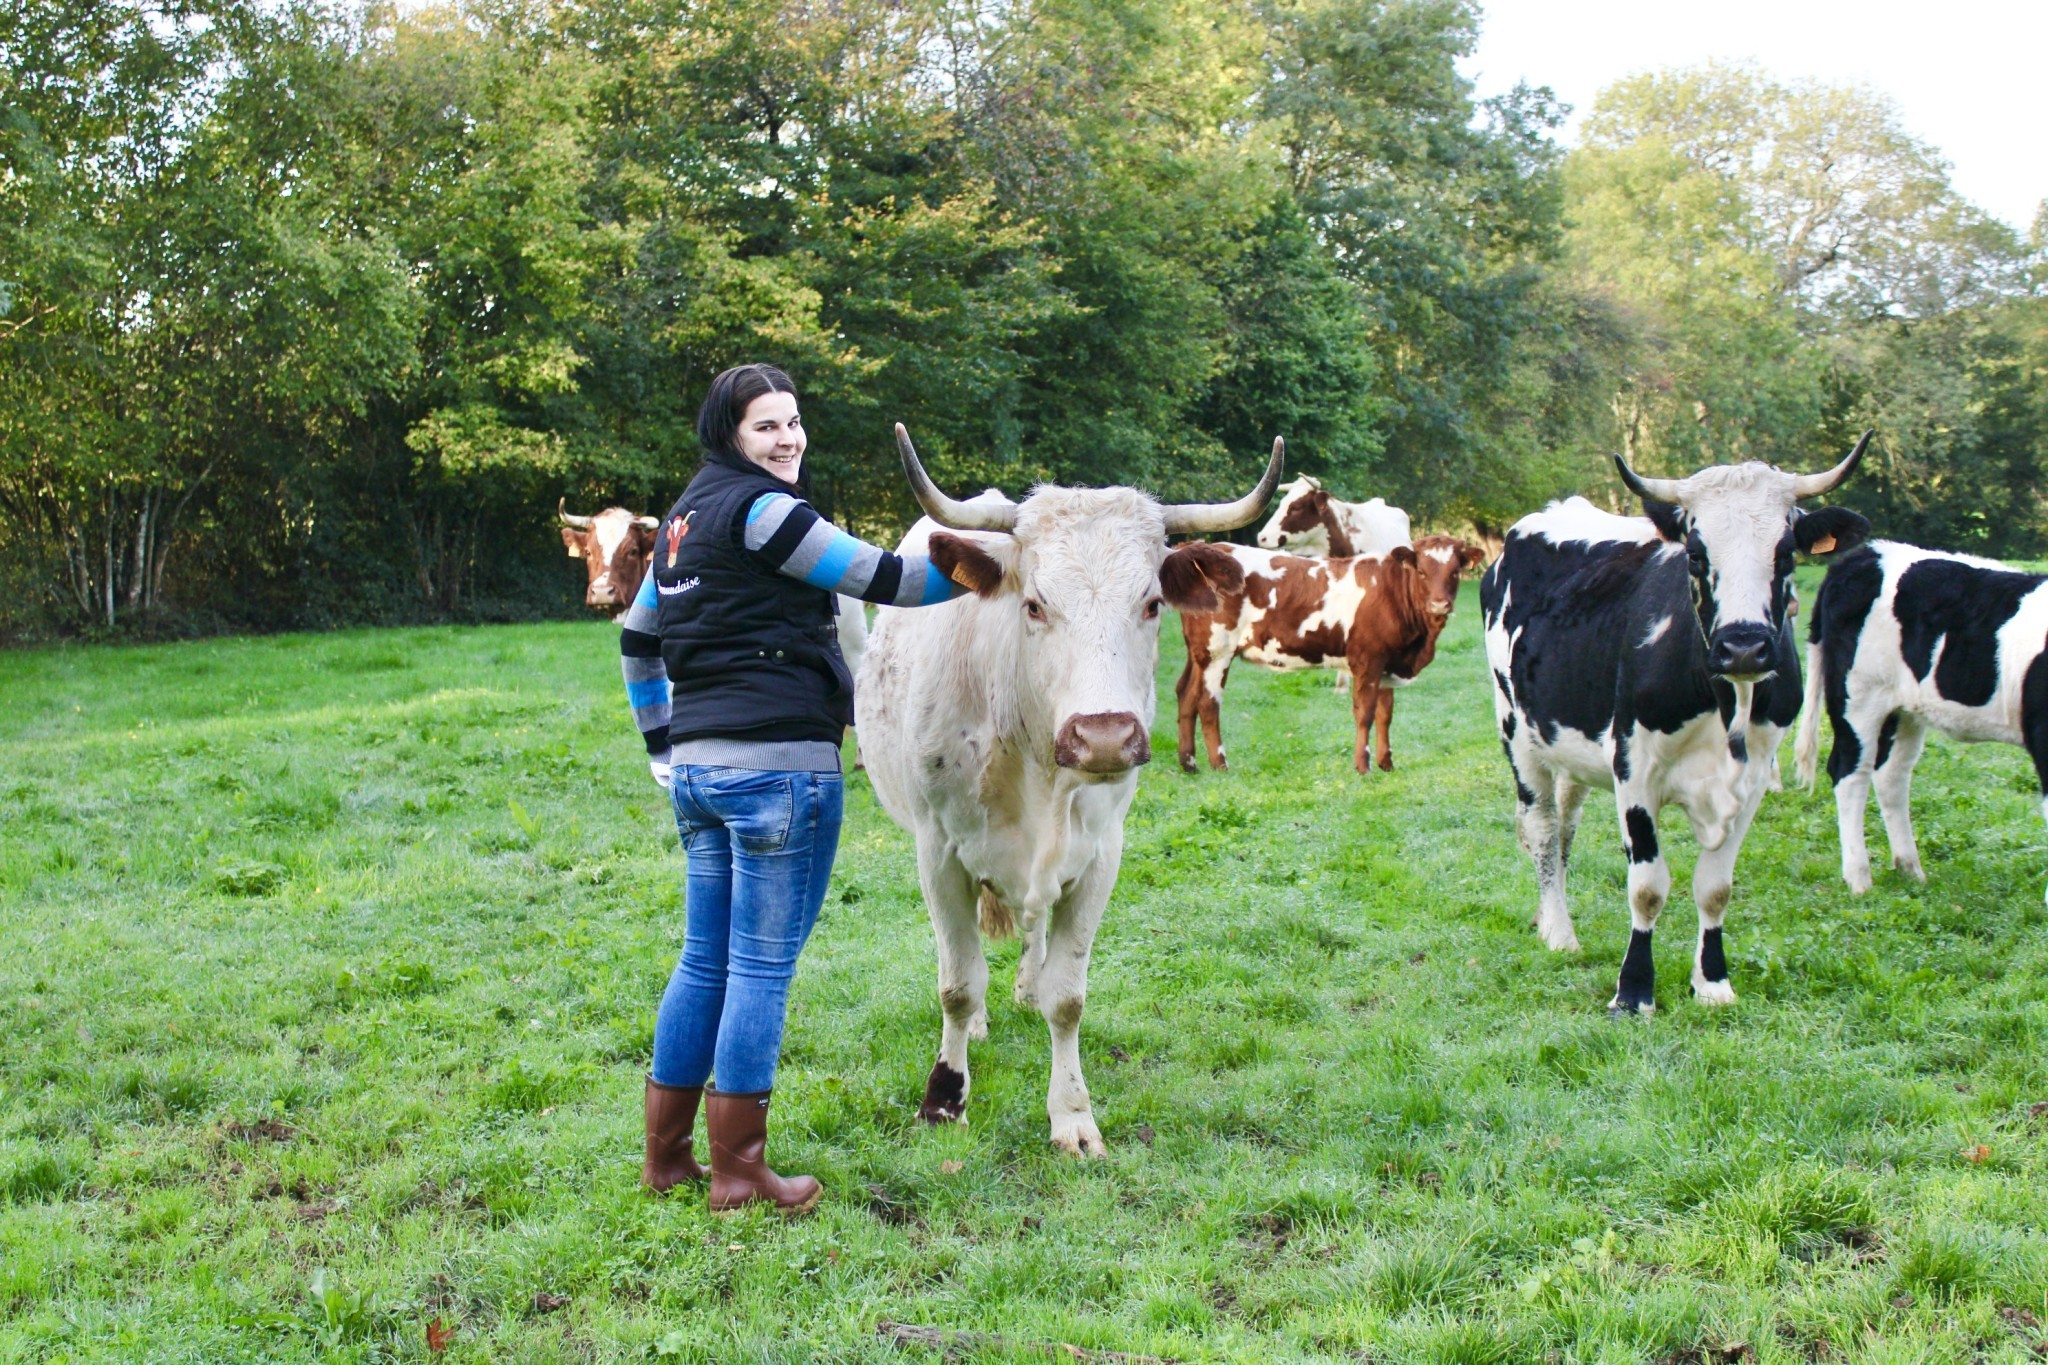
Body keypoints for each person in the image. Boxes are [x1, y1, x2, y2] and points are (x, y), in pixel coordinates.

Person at [618, 363, 966, 1214]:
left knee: (705, 960)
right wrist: (999, 562)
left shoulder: (679, 521)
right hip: (779, 769)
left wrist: (666, 747)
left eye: (794, 422)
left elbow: (637, 639)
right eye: (766, 426)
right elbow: (891, 581)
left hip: (701, 774)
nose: (788, 439)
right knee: (761, 969)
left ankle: (667, 1160)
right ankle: (740, 1172)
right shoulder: (766, 512)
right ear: (730, 434)